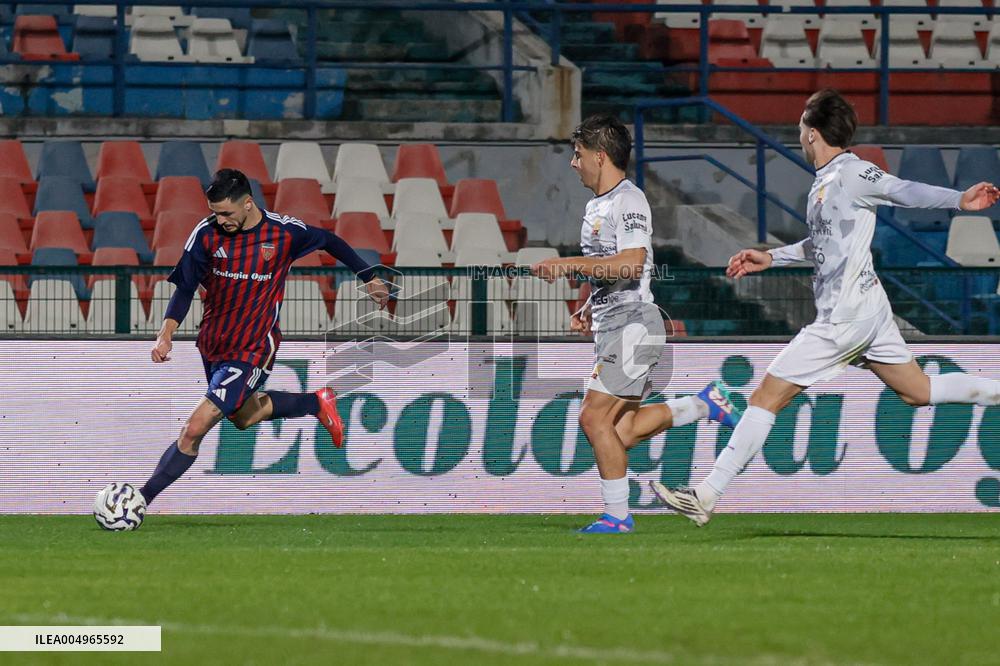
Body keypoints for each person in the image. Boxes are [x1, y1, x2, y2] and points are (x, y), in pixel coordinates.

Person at [652, 89, 1000, 526]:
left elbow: (901, 190)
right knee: (918, 391)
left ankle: (705, 494)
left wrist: (959, 200)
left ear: (813, 133)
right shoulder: (827, 180)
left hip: (845, 318)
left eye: (801, 124)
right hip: (867, 310)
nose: (799, 132)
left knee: (765, 397)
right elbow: (823, 243)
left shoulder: (854, 172)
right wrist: (772, 257)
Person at [531, 114, 742, 534]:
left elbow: (631, 263)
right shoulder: (596, 206)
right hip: (615, 325)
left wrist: (566, 263)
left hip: (635, 326)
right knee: (621, 431)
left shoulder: (629, 200)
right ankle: (705, 403)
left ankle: (617, 516)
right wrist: (590, 306)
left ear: (600, 156)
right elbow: (611, 270)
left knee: (593, 419)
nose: (573, 163)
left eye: (578, 154)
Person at [136, 168, 389, 510]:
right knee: (243, 417)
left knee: (195, 427)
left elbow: (330, 241)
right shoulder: (206, 234)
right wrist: (165, 334)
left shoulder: (284, 233)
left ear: (248, 204)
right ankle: (316, 403)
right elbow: (185, 288)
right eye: (215, 213)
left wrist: (368, 277)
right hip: (213, 343)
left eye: (226, 213)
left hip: (254, 346)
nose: (220, 220)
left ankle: (139, 500)